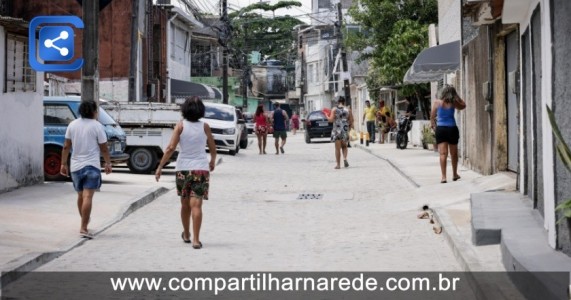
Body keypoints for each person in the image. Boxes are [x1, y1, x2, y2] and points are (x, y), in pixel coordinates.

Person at [155, 96, 217, 249]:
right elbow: (213, 146)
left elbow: (170, 148)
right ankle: (196, 240)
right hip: (201, 169)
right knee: (197, 205)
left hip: (183, 169)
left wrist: (160, 166)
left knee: (185, 205)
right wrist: (212, 160)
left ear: (185, 110)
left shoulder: (180, 126)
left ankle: (187, 233)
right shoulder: (205, 127)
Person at [60, 100, 112, 239]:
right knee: (88, 196)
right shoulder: (97, 126)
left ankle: (84, 220)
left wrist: (63, 164)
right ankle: (83, 227)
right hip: (92, 166)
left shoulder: (72, 124)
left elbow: (66, 146)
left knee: (80, 196)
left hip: (75, 166)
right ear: (94, 111)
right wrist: (108, 163)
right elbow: (104, 148)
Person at [430, 85, 466, 184]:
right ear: (452, 94)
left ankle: (443, 177)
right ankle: (454, 174)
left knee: (443, 154)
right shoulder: (454, 102)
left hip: (441, 129)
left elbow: (432, 117)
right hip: (452, 129)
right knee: (453, 154)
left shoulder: (437, 102)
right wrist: (457, 96)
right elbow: (463, 105)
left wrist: (433, 126)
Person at [328, 96, 353, 169]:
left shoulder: (334, 109)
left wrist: (327, 116)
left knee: (337, 148)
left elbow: (331, 120)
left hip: (337, 130)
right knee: (344, 146)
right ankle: (345, 158)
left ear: (338, 102)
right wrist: (349, 128)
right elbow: (351, 120)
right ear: (344, 102)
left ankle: (338, 165)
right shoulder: (348, 109)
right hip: (345, 129)